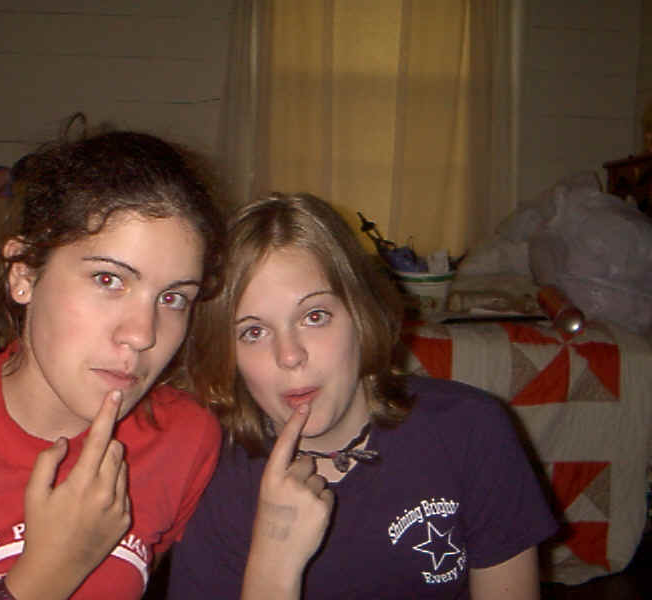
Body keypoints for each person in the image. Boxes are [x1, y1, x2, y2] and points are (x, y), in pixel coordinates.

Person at [0, 130, 226, 599]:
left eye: (173, 298)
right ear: (24, 273)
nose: (142, 334)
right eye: (108, 279)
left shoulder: (185, 439)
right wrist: (47, 576)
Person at [168, 193, 558, 599]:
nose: (290, 356)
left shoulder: (472, 430)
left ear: (362, 314)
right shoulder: (211, 476)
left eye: (314, 316)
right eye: (254, 331)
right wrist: (273, 566)